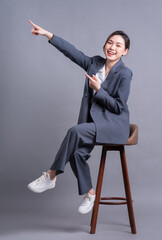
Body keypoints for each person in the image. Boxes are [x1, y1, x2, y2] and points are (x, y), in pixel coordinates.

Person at [27, 19, 132, 215]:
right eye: (110, 42)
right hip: (94, 123)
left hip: (114, 126)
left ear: (124, 51)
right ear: (105, 44)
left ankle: (51, 175)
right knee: (77, 154)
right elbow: (72, 52)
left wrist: (99, 90)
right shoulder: (94, 63)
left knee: (74, 131)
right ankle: (90, 193)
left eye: (118, 45)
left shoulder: (125, 74)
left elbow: (118, 107)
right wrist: (47, 34)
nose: (112, 47)